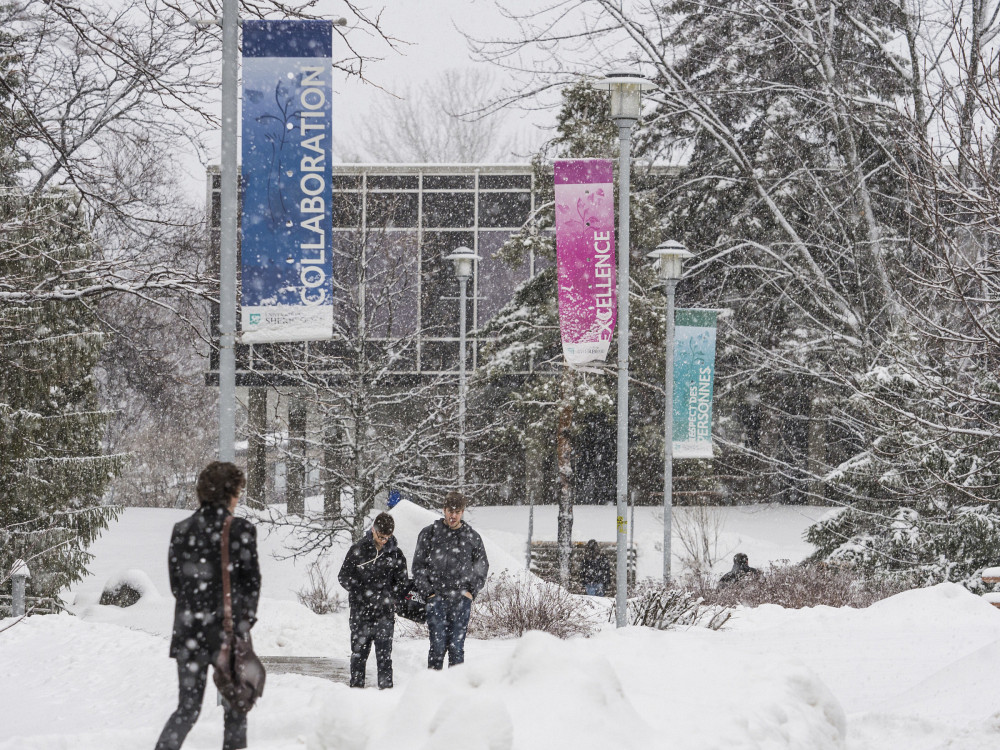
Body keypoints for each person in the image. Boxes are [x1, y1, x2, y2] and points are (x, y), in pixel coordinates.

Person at [155, 462, 261, 750]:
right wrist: (241, 625)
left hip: (189, 633)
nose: (238, 499)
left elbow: (177, 586)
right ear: (229, 494)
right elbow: (252, 585)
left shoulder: (182, 529)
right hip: (227, 632)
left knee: (187, 709)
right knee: (236, 710)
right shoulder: (241, 530)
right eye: (238, 492)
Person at [412, 490, 489, 670]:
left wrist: (471, 592)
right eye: (450, 511)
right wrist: (429, 593)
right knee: (437, 648)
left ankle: (455, 692)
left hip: (461, 601)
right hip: (436, 599)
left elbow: (482, 567)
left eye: (457, 512)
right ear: (444, 510)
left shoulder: (472, 537)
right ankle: (434, 689)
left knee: (456, 648)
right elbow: (418, 566)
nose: (453, 516)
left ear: (462, 512)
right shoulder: (429, 534)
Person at [337, 511, 408, 689]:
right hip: (360, 613)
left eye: (387, 537)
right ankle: (356, 692)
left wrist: (388, 596)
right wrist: (361, 591)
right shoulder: (358, 550)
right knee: (358, 655)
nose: (383, 540)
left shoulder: (396, 555)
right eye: (380, 536)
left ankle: (386, 694)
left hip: (384, 614)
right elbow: (343, 577)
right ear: (373, 530)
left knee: (384, 658)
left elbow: (402, 583)